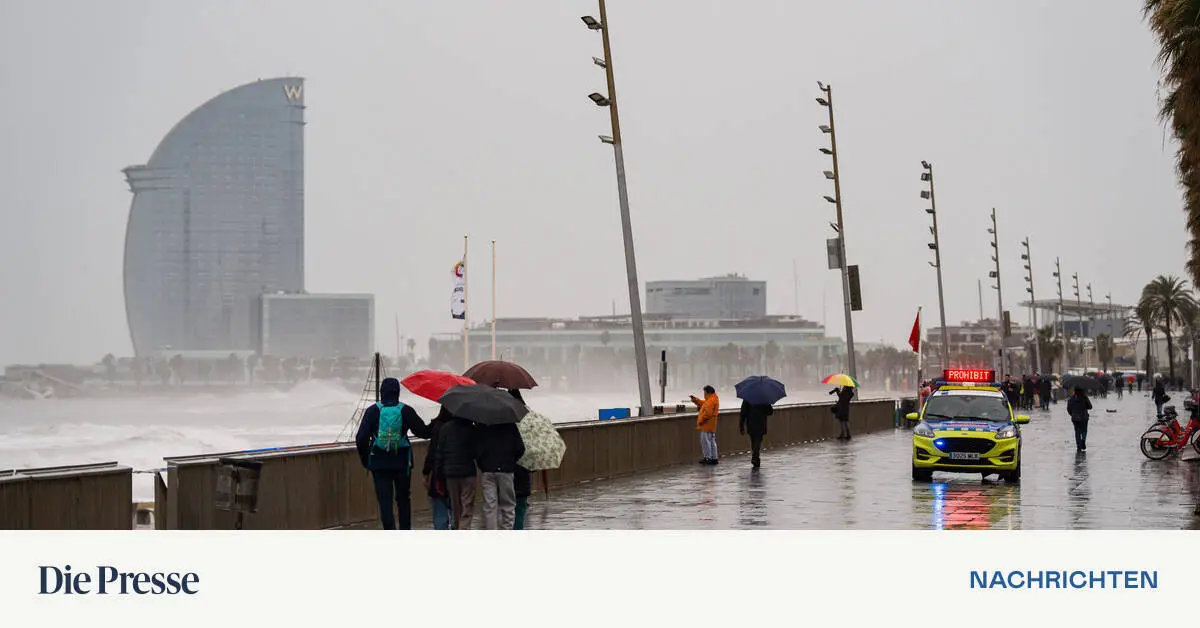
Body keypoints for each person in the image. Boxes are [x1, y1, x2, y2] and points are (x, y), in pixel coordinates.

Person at [354, 377, 432, 530]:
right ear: (397, 392)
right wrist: (438, 422)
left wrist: (366, 459)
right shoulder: (406, 410)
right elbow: (422, 432)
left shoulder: (372, 411)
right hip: (402, 463)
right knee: (403, 500)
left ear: (382, 392)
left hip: (379, 463)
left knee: (385, 501)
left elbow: (361, 438)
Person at [475, 418, 526, 530]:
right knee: (508, 504)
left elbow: (477, 449)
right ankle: (506, 531)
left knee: (490, 505)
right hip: (506, 470)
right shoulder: (510, 425)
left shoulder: (482, 425)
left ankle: (491, 532)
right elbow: (520, 448)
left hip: (488, 470)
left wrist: (483, 464)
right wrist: (510, 460)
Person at [436, 410, 479, 531]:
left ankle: (458, 528)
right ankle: (464, 529)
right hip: (468, 472)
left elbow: (439, 453)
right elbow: (477, 452)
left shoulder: (445, 428)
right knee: (467, 505)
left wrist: (439, 475)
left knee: (456, 506)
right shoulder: (472, 429)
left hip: (451, 474)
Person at [421, 407, 455, 530]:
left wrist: (426, 472)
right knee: (457, 513)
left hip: (439, 474)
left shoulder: (437, 426)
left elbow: (432, 452)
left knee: (440, 514)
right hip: (459, 476)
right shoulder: (464, 426)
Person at [508, 389, 532, 530]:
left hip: (505, 465)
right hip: (524, 464)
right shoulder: (527, 415)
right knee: (521, 502)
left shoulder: (504, 417)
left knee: (505, 504)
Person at [690, 385, 721, 464]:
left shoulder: (710, 401)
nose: (704, 394)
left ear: (708, 392)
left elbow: (708, 413)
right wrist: (696, 400)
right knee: (712, 442)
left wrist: (700, 421)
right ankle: (714, 458)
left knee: (705, 442)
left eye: (704, 392)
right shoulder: (713, 399)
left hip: (706, 425)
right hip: (711, 425)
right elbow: (704, 404)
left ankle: (708, 458)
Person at [738, 400, 773, 468]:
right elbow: (770, 412)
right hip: (761, 423)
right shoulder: (764, 399)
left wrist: (741, 426)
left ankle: (755, 457)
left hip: (751, 423)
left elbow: (743, 413)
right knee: (758, 441)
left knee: (753, 441)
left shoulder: (747, 399)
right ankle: (755, 457)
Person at [1067, 387, 1092, 452]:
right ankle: (1083, 441)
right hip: (1084, 417)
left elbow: (1069, 409)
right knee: (1084, 430)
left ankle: (1078, 446)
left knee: (1077, 431)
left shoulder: (1071, 399)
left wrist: (1073, 414)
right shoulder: (1084, 398)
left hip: (1075, 418)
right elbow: (1090, 407)